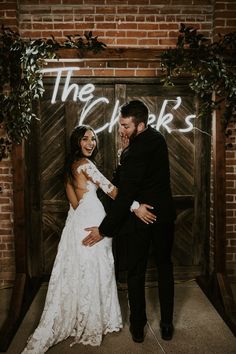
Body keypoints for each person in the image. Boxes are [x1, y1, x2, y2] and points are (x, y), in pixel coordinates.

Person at [21, 125, 124, 353]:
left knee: (80, 270)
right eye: (85, 139)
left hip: (77, 223)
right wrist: (135, 205)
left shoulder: (69, 168)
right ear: (76, 142)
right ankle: (96, 318)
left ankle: (82, 315)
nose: (91, 143)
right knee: (98, 269)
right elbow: (112, 191)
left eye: (93, 139)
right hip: (95, 223)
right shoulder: (87, 165)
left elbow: (75, 205)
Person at [83, 100, 176, 343]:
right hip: (163, 214)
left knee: (136, 271)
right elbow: (135, 180)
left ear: (140, 124)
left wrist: (104, 230)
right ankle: (167, 325)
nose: (121, 130)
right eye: (120, 124)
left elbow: (124, 192)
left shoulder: (136, 150)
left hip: (144, 219)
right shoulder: (158, 139)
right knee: (165, 268)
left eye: (125, 125)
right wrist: (123, 153)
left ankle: (137, 326)